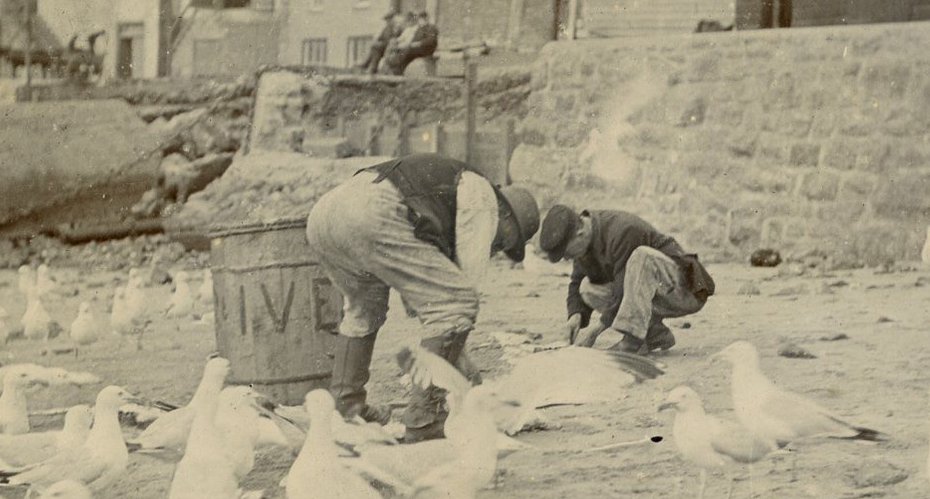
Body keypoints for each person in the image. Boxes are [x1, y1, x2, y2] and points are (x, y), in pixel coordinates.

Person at [306, 154, 540, 440]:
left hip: (327, 212)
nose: (497, 248)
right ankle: (424, 417)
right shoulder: (483, 199)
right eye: (504, 240)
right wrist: (462, 371)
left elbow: (424, 300)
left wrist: (453, 353)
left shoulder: (447, 196)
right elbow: (461, 294)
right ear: (505, 215)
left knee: (362, 312)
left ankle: (346, 410)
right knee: (458, 304)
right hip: (373, 211)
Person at [536, 205, 715, 355]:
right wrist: (574, 318)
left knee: (641, 257)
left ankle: (632, 341)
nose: (567, 258)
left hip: (686, 289)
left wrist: (595, 331)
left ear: (580, 233)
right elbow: (576, 282)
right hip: (655, 292)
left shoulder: (622, 229)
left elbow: (623, 289)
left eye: (566, 253)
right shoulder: (585, 242)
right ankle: (655, 336)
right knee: (587, 288)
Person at [382, 10, 439, 76]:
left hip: (427, 49)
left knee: (407, 50)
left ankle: (395, 63)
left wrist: (418, 43)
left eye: (423, 19)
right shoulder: (420, 28)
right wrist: (411, 44)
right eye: (420, 19)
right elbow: (414, 39)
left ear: (426, 18)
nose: (421, 21)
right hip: (418, 48)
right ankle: (398, 71)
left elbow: (431, 40)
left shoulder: (431, 27)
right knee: (406, 53)